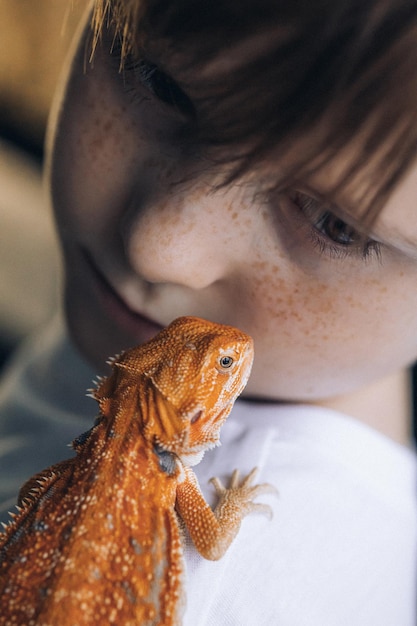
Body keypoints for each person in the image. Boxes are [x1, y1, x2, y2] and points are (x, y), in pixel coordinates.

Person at [1, 0, 416, 624]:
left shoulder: (233, 595)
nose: (158, 247)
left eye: (335, 224)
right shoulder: (137, 366)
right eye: (158, 79)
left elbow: (215, 544)